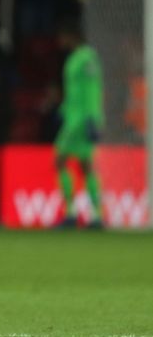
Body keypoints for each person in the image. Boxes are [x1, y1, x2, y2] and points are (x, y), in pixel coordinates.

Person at [55, 17, 105, 228]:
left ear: (71, 36)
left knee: (60, 159)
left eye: (62, 36)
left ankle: (71, 213)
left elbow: (92, 90)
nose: (59, 40)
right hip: (76, 117)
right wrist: (64, 109)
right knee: (86, 165)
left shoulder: (86, 58)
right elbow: (75, 91)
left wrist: (93, 118)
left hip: (81, 120)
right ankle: (95, 216)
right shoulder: (77, 58)